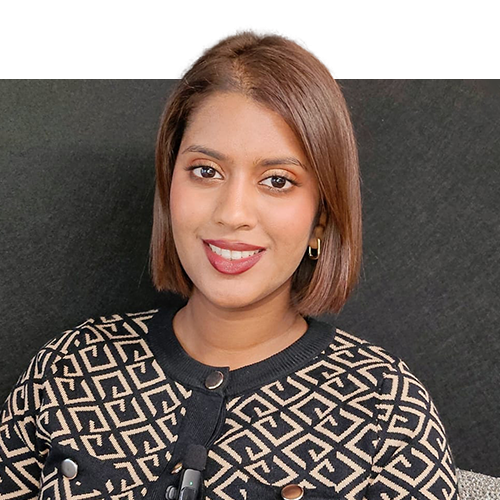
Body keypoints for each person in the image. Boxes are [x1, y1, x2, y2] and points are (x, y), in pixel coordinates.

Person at [0, 26, 458, 499]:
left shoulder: (387, 412)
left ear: (321, 217)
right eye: (206, 171)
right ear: (169, 185)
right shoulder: (67, 369)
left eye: (277, 180)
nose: (233, 213)